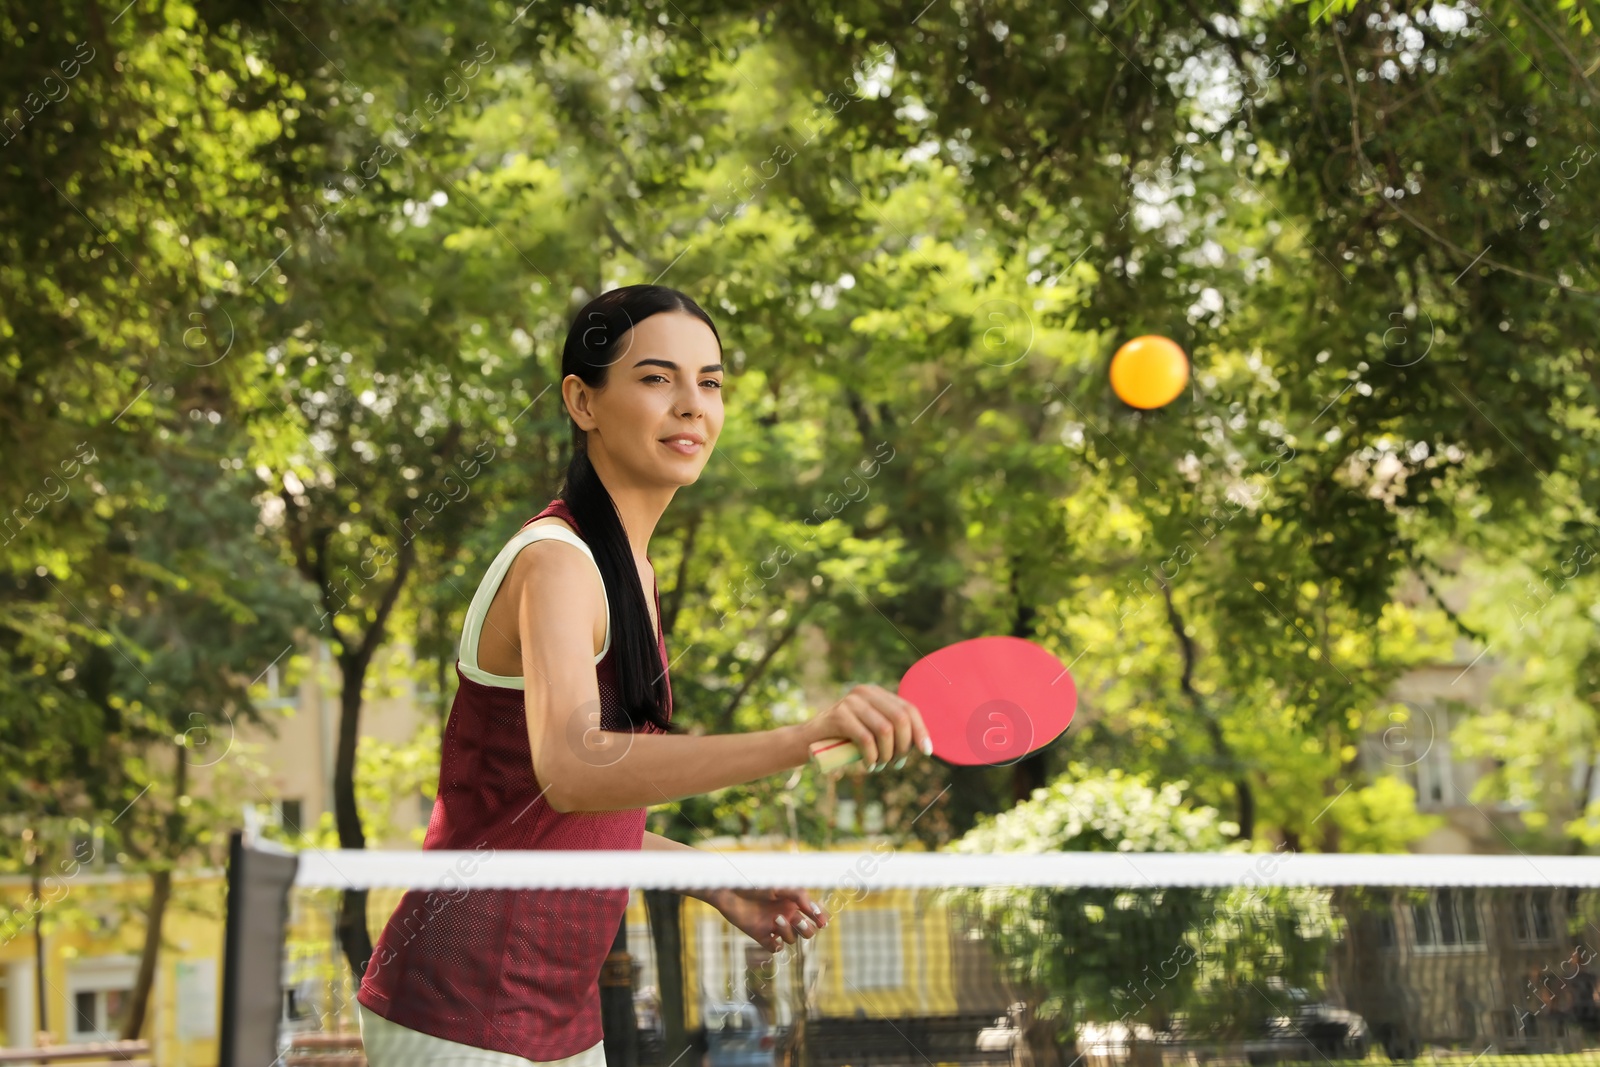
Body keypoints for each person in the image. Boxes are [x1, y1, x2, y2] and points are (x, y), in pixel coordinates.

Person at [355, 284, 931, 1066]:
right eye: (658, 378)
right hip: (460, 1014)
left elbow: (565, 824)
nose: (693, 404)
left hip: (559, 1020)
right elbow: (572, 770)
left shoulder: (630, 574)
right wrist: (803, 737)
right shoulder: (556, 563)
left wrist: (715, 880)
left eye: (711, 381)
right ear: (582, 401)